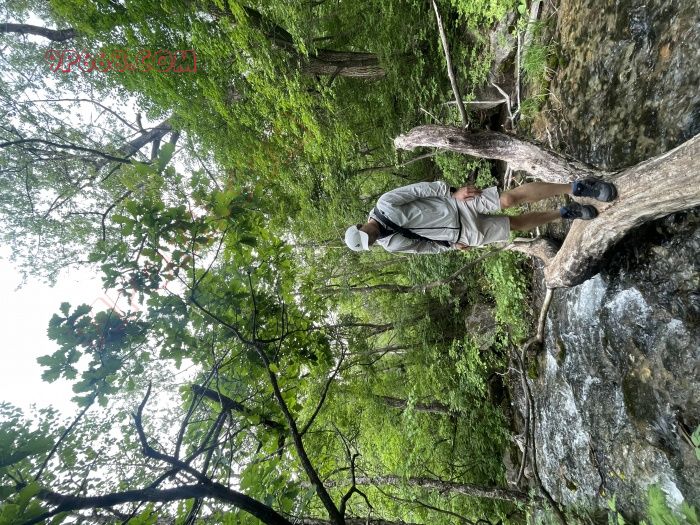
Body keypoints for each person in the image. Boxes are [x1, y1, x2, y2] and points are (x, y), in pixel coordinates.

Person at [344, 179, 617, 254]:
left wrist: (452, 192)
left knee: (508, 200)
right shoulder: (391, 245)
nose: (371, 238)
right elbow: (423, 248)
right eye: (368, 243)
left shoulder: (385, 204)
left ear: (360, 226)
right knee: (515, 225)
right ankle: (565, 213)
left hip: (457, 205)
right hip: (462, 235)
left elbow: (419, 190)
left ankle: (577, 187)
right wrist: (450, 247)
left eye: (365, 235)